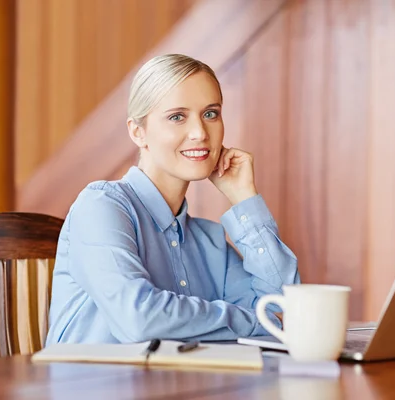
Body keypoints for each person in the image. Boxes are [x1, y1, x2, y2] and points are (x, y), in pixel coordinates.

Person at [45, 54, 300, 345]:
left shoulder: (210, 240)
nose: (200, 133)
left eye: (211, 114)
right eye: (177, 117)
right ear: (137, 132)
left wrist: (244, 198)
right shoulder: (101, 206)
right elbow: (138, 319)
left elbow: (282, 312)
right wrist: (248, 321)